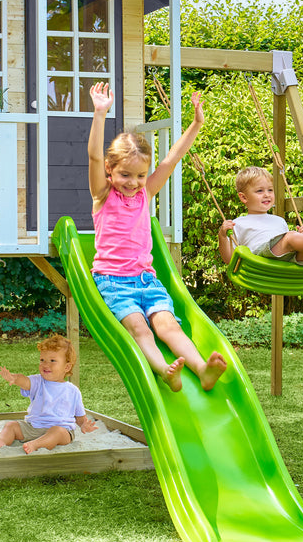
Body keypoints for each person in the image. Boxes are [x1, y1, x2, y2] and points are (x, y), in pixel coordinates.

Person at [88, 81, 227, 394]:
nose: (134, 182)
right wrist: (100, 115)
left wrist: (196, 124)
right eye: (125, 175)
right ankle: (164, 369)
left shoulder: (144, 195)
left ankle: (202, 369)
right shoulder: (102, 196)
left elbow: (171, 159)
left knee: (168, 325)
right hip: (114, 282)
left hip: (147, 281)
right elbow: (95, 158)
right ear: (110, 171)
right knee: (139, 327)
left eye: (139, 175)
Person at [0, 334, 97, 455]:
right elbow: (24, 381)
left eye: (52, 361)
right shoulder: (37, 381)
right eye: (42, 360)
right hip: (33, 427)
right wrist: (14, 378)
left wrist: (83, 425)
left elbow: (80, 417)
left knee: (57, 432)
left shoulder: (73, 391)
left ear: (66, 367)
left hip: (62, 431)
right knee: (11, 425)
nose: (46, 364)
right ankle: (1, 441)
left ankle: (36, 444)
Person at [218, 165, 303, 266]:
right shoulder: (238, 223)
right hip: (260, 259)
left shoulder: (279, 220)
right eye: (259, 191)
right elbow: (230, 259)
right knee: (290, 237)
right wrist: (223, 236)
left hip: (289, 261)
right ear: (244, 197)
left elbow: (289, 246)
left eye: (270, 190)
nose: (267, 194)